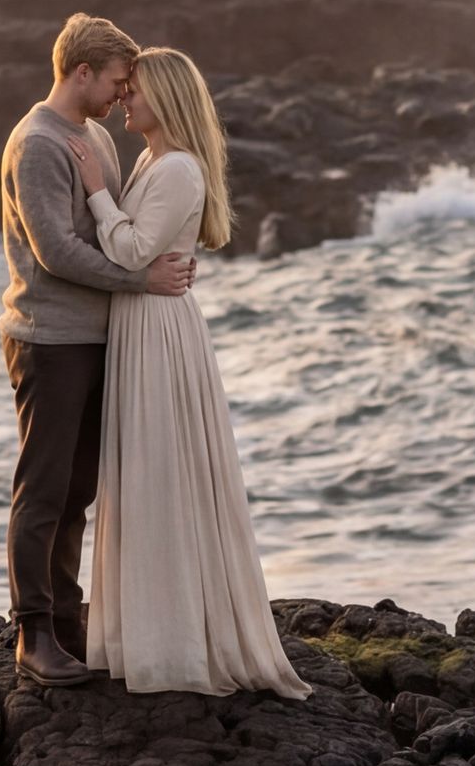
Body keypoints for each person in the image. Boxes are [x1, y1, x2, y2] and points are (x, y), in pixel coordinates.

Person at [73, 46, 310, 699]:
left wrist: (96, 189)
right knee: (146, 478)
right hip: (143, 322)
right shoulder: (153, 159)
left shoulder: (176, 167)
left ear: (167, 97)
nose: (125, 97)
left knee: (160, 476)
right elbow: (138, 249)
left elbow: (127, 248)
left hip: (157, 329)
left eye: (135, 89)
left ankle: (173, 644)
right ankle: (147, 631)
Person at [0, 14, 196, 688]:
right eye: (115, 80)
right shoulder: (39, 143)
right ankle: (33, 635)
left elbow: (117, 227)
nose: (120, 93)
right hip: (49, 339)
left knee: (79, 490)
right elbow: (56, 252)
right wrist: (141, 279)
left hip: (94, 339)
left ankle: (68, 624)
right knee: (44, 487)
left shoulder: (97, 139)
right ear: (81, 72)